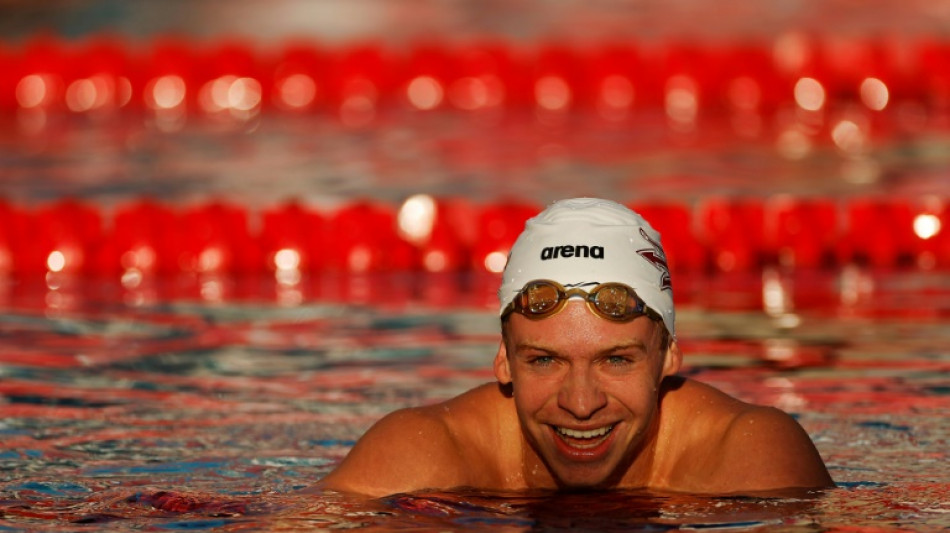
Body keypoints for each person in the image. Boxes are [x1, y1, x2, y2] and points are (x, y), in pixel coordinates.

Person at [318, 198, 833, 497]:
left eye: (616, 360)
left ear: (668, 356)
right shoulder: (420, 460)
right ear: (503, 360)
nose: (581, 404)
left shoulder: (747, 459)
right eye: (545, 360)